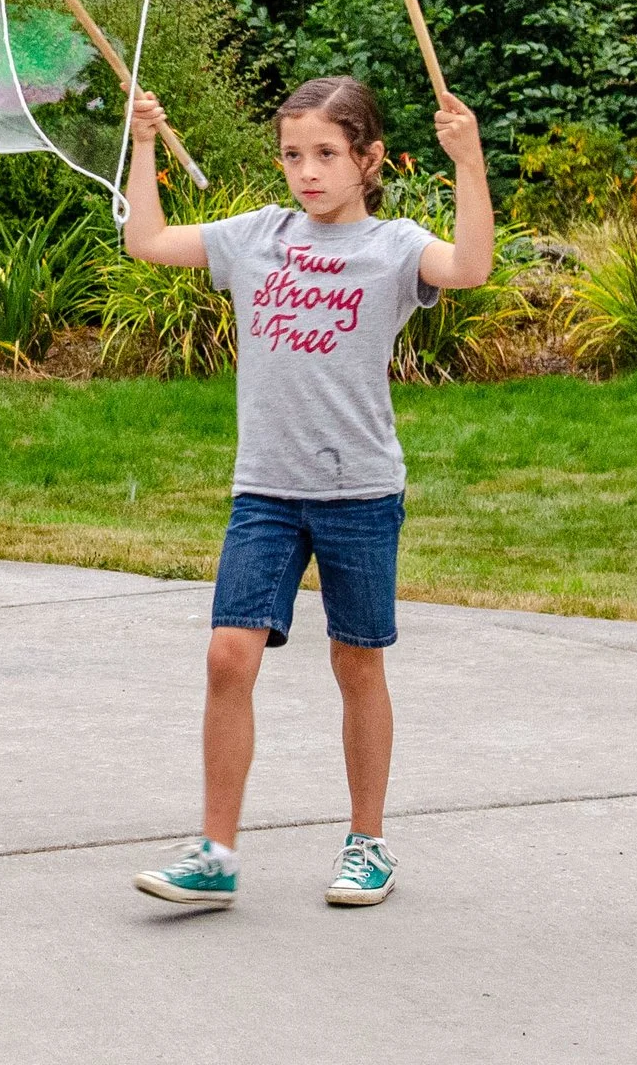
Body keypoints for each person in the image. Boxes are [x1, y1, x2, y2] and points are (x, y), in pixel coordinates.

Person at [123, 76, 491, 909]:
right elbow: (146, 240)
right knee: (228, 655)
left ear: (369, 160)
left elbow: (470, 267)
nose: (307, 171)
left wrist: (469, 163)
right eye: (293, 155)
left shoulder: (395, 247)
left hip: (359, 490)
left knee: (357, 662)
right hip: (266, 490)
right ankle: (216, 852)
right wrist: (145, 143)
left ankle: (369, 843)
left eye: (326, 154)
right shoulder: (257, 237)